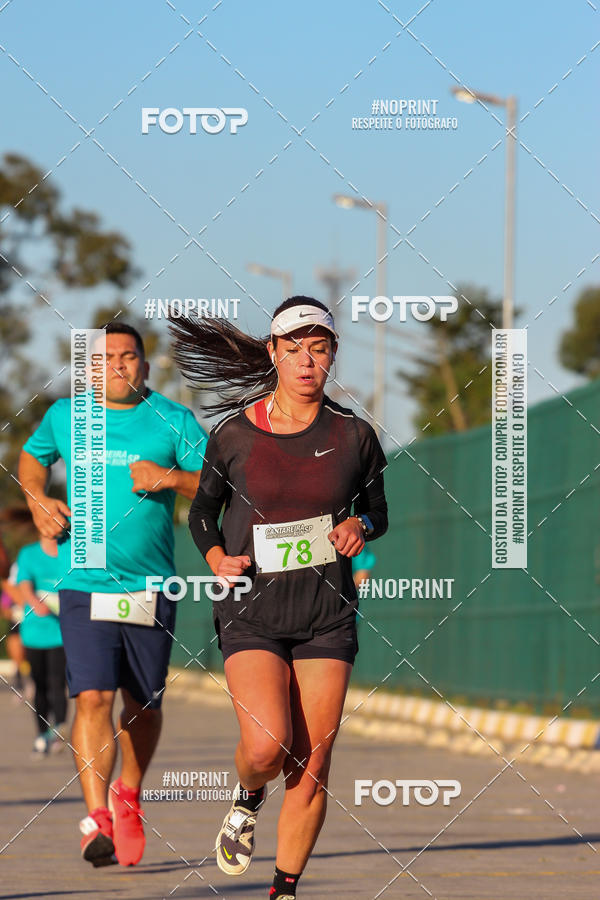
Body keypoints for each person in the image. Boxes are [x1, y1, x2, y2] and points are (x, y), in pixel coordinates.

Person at [172, 296, 388, 899]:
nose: (306, 361)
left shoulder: (355, 436)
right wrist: (216, 558)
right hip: (252, 611)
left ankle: (284, 890)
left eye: (318, 349)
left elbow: (377, 512)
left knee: (312, 764)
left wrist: (359, 528)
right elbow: (203, 513)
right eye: (293, 349)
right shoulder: (235, 434)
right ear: (272, 354)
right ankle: (246, 794)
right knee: (268, 749)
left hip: (326, 615)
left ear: (332, 356)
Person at [18, 323, 208, 867]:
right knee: (93, 697)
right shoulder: (65, 417)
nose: (118, 366)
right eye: (105, 359)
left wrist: (170, 478)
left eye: (130, 357)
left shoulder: (174, 420)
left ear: (145, 367)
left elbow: (218, 483)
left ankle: (130, 790)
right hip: (83, 582)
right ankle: (97, 815)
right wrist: (37, 501)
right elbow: (33, 459)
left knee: (142, 706)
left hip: (152, 585)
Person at [14, 531, 68, 756]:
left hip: (62, 633)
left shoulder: (70, 551)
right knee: (40, 685)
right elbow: (23, 584)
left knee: (58, 684)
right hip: (34, 633)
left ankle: (59, 733)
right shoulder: (28, 553)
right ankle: (41, 733)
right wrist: (34, 602)